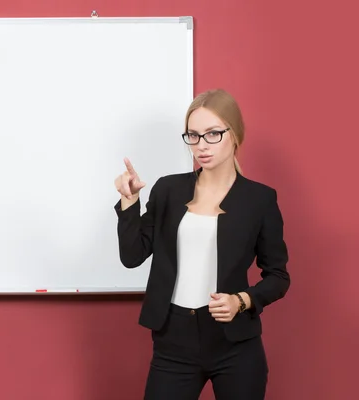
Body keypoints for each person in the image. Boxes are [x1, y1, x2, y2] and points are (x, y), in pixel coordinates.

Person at [113, 88, 290, 400]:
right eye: (193, 136)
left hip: (235, 343)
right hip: (173, 340)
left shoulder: (260, 199)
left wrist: (242, 300)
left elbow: (277, 276)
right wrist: (130, 204)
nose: (201, 146)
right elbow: (132, 256)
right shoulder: (168, 189)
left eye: (212, 134)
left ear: (234, 135)